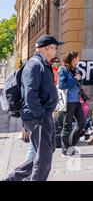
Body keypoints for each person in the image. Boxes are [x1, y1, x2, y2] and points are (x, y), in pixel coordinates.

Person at [3, 35, 63, 181]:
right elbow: (30, 94)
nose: (56, 51)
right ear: (46, 49)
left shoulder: (43, 64)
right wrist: (41, 116)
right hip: (38, 117)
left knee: (45, 152)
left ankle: (13, 178)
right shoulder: (34, 65)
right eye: (54, 48)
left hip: (43, 115)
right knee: (44, 158)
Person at [58, 51, 87, 157]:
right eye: (78, 58)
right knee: (67, 126)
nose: (79, 60)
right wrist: (75, 79)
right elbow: (61, 85)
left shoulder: (76, 69)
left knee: (82, 123)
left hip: (76, 100)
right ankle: (65, 151)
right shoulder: (63, 70)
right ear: (73, 59)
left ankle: (71, 144)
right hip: (68, 102)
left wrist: (80, 86)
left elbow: (78, 83)